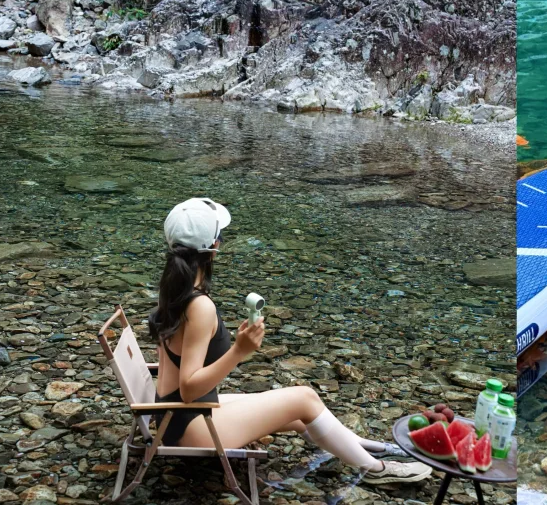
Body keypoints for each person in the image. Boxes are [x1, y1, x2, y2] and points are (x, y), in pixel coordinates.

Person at [148, 197, 431, 485]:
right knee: (304, 398)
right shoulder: (200, 305)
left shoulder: (172, 288)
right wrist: (238, 351)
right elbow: (188, 388)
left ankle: (362, 446)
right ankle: (376, 470)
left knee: (296, 416)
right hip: (191, 428)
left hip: (171, 418)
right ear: (214, 247)